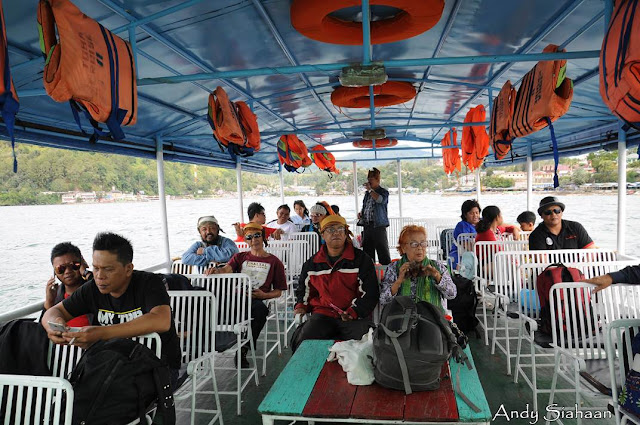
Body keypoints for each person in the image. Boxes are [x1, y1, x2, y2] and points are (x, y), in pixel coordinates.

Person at [41, 232, 182, 385]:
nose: (99, 276)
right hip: (111, 368)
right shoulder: (92, 289)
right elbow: (53, 312)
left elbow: (161, 321)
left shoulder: (149, 283)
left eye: (108, 269)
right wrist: (55, 326)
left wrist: (101, 333)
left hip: (158, 368)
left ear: (128, 269)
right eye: (95, 268)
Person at [292, 215, 379, 352]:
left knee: (370, 344)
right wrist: (301, 307)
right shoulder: (312, 264)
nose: (336, 233)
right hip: (322, 316)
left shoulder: (361, 260)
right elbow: (304, 292)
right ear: (323, 235)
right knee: (304, 342)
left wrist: (353, 312)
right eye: (330, 230)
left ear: (346, 234)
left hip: (353, 317)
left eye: (340, 229)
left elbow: (371, 293)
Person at [205, 223, 286, 367]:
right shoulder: (240, 257)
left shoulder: (275, 262)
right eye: (249, 237)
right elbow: (225, 270)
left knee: (261, 310)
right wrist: (215, 271)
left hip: (256, 299)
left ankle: (243, 348)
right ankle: (213, 342)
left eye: (257, 235)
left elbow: (279, 291)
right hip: (236, 298)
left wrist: (263, 296)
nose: (254, 239)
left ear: (263, 237)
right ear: (246, 240)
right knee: (214, 305)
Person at [380, 225, 456, 310]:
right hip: (402, 319)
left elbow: (452, 295)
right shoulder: (394, 268)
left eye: (423, 243)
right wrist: (399, 281)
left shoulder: (437, 266)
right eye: (414, 244)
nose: (420, 248)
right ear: (403, 248)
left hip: (431, 318)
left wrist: (437, 276)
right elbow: (383, 300)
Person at [44, 242, 93, 327]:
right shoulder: (56, 295)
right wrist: (49, 301)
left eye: (74, 265)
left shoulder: (93, 289)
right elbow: (44, 330)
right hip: (65, 339)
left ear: (82, 264)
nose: (67, 271)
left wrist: (86, 272)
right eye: (61, 268)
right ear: (54, 272)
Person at [528, 196, 595, 250]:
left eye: (557, 211)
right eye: (548, 212)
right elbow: (541, 260)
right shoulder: (536, 235)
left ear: (562, 212)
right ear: (541, 216)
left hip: (577, 266)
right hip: (550, 267)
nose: (553, 214)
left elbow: (590, 249)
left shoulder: (575, 227)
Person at [357, 167, 391, 265]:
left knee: (382, 251)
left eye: (371, 180)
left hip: (379, 226)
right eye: (368, 179)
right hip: (367, 225)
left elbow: (380, 200)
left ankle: (386, 274)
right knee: (367, 253)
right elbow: (366, 206)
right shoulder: (367, 194)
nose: (369, 182)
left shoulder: (383, 192)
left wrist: (370, 190)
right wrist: (361, 213)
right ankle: (370, 275)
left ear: (377, 180)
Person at [449, 199, 481, 269]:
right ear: (465, 214)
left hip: (476, 254)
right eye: (471, 213)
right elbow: (466, 244)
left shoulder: (482, 224)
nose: (475, 215)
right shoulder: (462, 226)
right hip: (460, 256)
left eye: (477, 212)